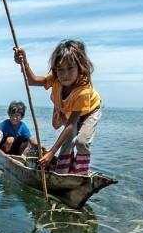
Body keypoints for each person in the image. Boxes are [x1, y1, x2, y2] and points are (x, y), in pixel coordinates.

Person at [14, 40, 101, 175]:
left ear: (80, 67)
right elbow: (32, 81)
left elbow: (71, 125)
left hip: (90, 111)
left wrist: (51, 152)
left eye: (70, 68)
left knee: (81, 142)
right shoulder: (56, 79)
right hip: (69, 110)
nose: (65, 74)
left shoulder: (83, 91)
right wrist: (24, 62)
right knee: (67, 142)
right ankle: (62, 172)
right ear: (55, 69)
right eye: (60, 69)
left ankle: (80, 174)